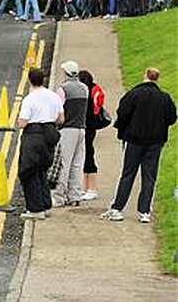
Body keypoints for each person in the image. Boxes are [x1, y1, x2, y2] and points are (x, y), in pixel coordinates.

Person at [103, 68, 177, 222]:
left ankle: (117, 208)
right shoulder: (164, 98)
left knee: (128, 174)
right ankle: (144, 211)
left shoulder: (134, 95)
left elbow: (122, 113)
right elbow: (171, 118)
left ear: (145, 76)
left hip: (134, 140)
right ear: (157, 79)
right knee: (149, 176)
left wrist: (123, 129)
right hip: (155, 141)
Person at [17, 68, 65, 220]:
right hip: (50, 134)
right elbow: (61, 119)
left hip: (33, 135)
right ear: (43, 79)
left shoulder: (29, 99)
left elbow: (22, 123)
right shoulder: (54, 96)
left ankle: (35, 209)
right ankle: (45, 205)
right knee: (42, 170)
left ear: (30, 80)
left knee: (28, 172)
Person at [52, 60, 89, 207]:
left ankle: (58, 196)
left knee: (63, 164)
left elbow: (58, 110)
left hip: (67, 129)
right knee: (77, 164)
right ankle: (74, 195)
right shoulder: (84, 88)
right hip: (81, 128)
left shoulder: (63, 89)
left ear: (66, 73)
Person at [78, 70, 105, 201]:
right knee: (85, 156)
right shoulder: (95, 89)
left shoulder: (86, 92)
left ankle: (92, 188)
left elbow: (94, 109)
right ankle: (85, 187)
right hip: (90, 127)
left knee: (88, 156)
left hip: (87, 127)